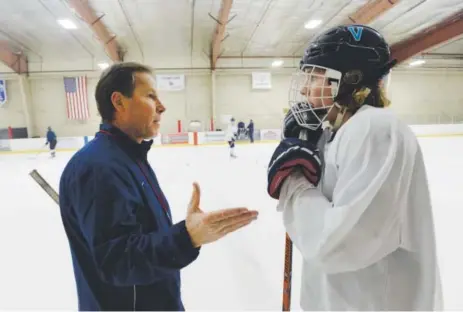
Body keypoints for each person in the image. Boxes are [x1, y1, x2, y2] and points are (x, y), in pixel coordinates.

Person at [267, 25, 443, 310]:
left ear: (349, 80)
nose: (303, 87)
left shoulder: (375, 129)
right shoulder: (335, 133)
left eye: (314, 76)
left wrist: (294, 180)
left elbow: (336, 245)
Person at [58, 62, 258, 311]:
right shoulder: (99, 168)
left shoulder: (126, 157)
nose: (162, 107)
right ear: (119, 102)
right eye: (151, 96)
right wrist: (186, 237)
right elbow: (117, 260)